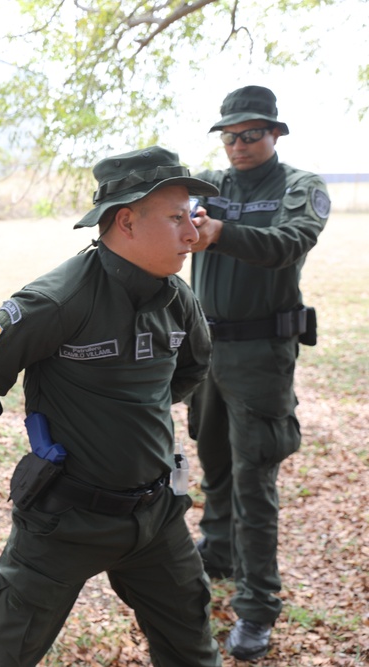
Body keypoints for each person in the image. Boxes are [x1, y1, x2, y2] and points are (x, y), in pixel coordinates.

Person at [0, 146, 223, 667]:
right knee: (0, 655)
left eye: (192, 218)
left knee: (193, 649)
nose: (192, 233)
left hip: (157, 515)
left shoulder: (177, 298)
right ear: (126, 222)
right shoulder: (56, 299)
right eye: (176, 218)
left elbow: (191, 370)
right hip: (67, 521)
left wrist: (129, 416)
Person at [188, 85, 330, 661]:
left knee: (255, 479)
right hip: (205, 351)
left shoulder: (300, 187)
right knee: (214, 459)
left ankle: (257, 606)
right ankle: (217, 551)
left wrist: (222, 233)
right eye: (230, 135)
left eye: (250, 134)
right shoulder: (209, 186)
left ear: (275, 133)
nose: (238, 145)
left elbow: (288, 243)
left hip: (261, 355)